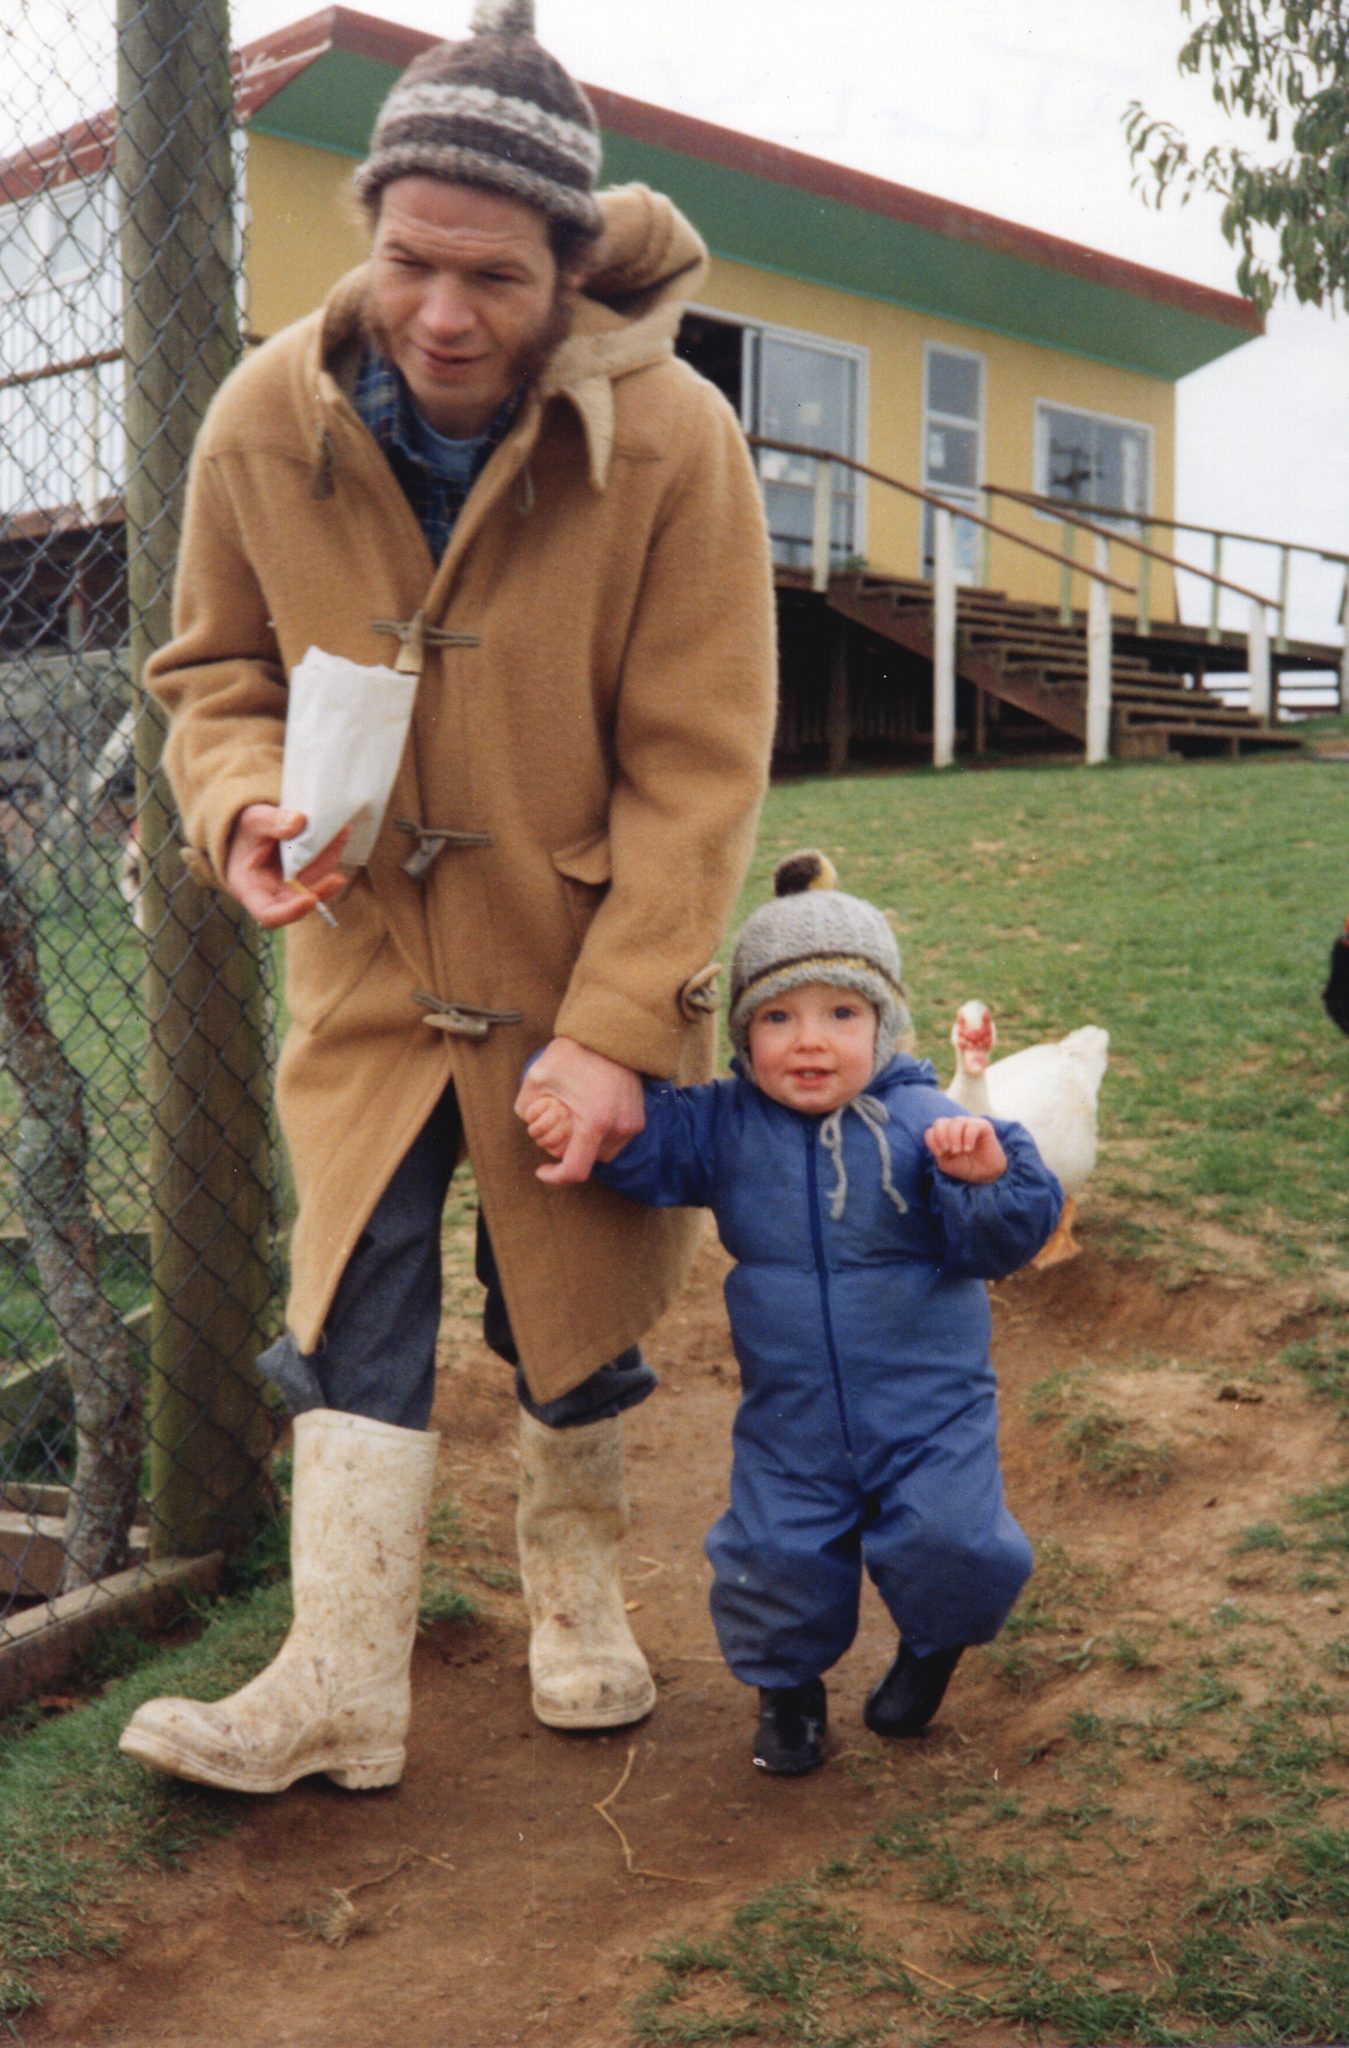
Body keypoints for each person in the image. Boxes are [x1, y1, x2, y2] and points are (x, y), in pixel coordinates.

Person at [118, 0, 776, 1795]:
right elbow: (210, 669)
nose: (441, 313)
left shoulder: (675, 444)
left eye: (491, 276)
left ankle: (574, 1593)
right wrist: (239, 801)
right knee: (359, 1283)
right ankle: (339, 1668)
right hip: (368, 958)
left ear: (570, 264)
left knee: (561, 1283)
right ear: (370, 229)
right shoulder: (265, 414)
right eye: (410, 262)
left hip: (573, 957)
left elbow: (696, 765)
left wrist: (625, 1020)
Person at [523, 853, 1062, 1774]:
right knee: (774, 1556)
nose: (809, 1042)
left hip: (929, 1410)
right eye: (778, 1018)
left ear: (885, 1023)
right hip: (793, 1412)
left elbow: (1006, 1239)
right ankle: (789, 1693)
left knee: (954, 1544)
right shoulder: (725, 1124)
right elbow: (641, 1142)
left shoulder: (929, 1122)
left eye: (840, 1015)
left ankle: (931, 1648)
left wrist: (988, 1183)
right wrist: (573, 1109)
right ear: (742, 1032)